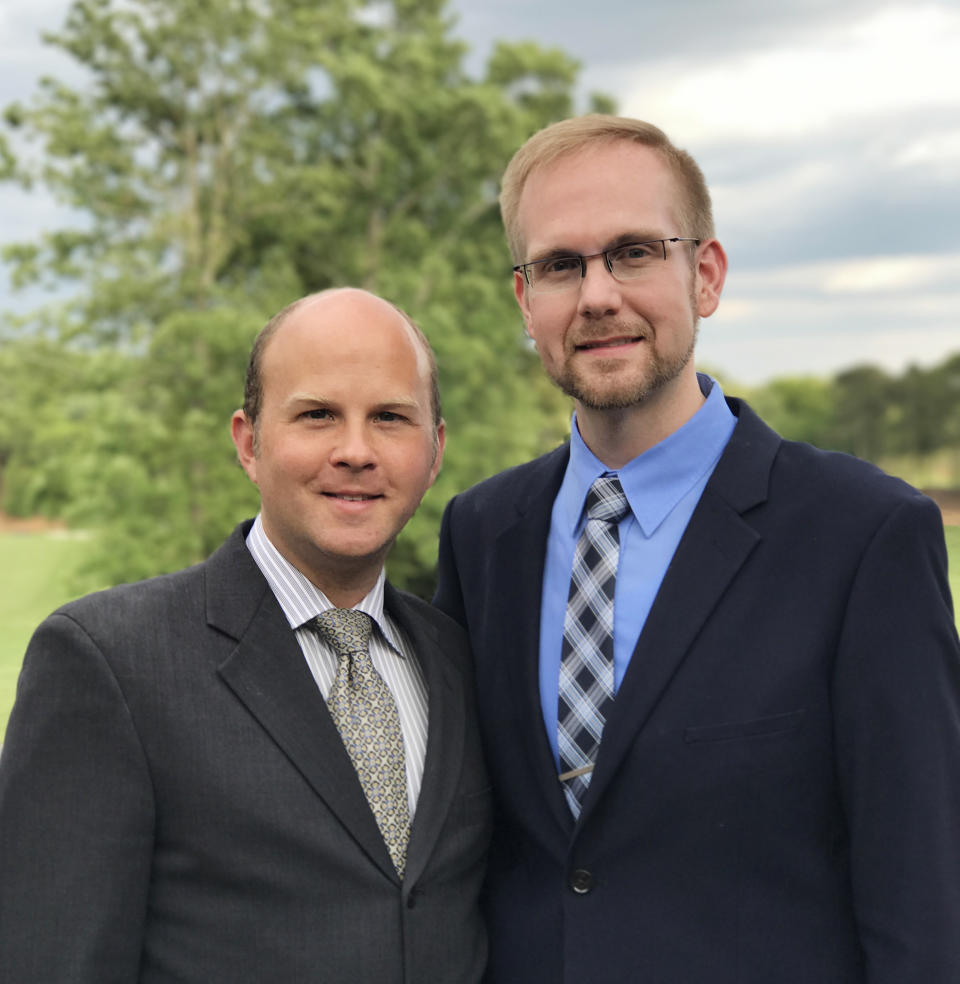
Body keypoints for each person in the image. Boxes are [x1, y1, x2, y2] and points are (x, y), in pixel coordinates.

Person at [433, 115, 960, 983]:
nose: (597, 294)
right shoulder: (483, 533)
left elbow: (922, 895)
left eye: (634, 251)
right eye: (561, 265)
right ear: (526, 301)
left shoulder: (865, 536)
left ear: (704, 275)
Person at [0, 288, 491, 984]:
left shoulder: (461, 661)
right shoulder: (108, 662)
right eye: (317, 415)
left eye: (390, 418)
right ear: (248, 442)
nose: (356, 450)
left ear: (434, 449)